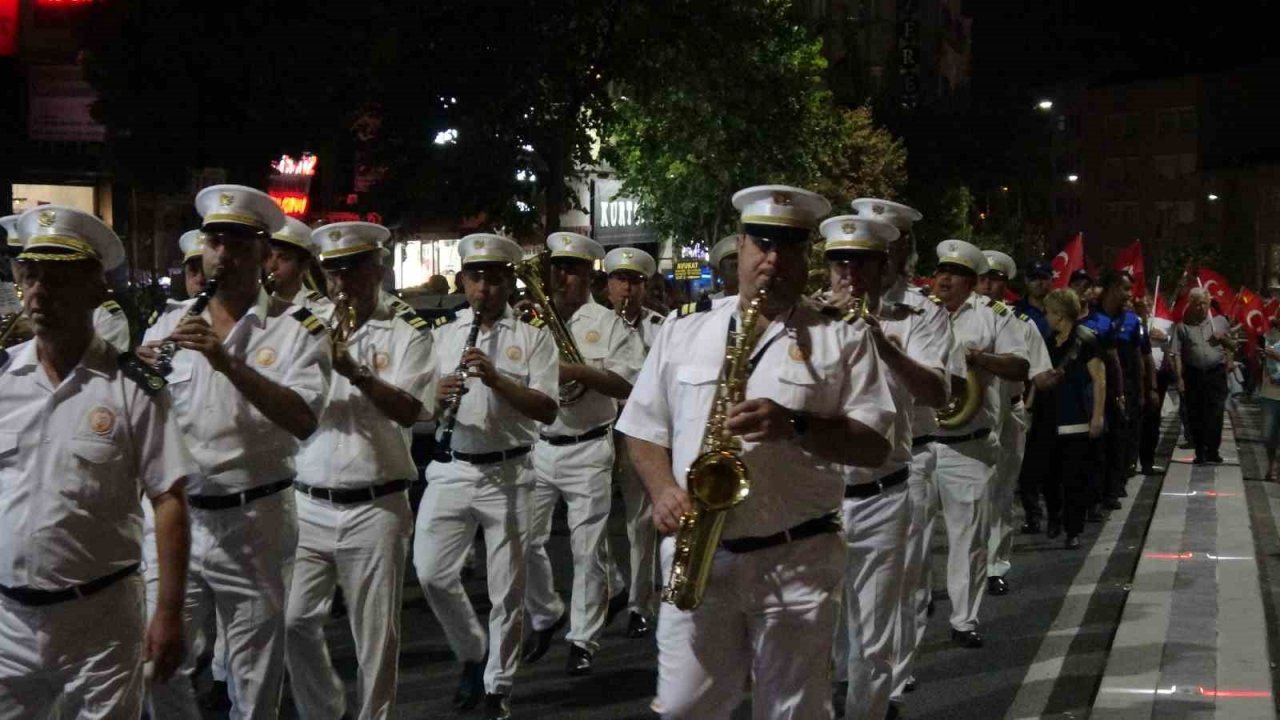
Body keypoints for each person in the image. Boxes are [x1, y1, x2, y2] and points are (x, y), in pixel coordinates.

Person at [618, 184, 896, 718]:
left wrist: (795, 423)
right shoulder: (683, 328)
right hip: (701, 554)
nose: (773, 260)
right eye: (761, 245)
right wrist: (662, 489)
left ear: (806, 255)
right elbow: (643, 428)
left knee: (792, 711)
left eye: (788, 247)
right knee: (682, 708)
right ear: (740, 248)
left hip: (797, 558)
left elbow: (874, 444)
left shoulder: (843, 337)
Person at [142, 185, 333, 717]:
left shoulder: (299, 329)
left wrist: (226, 362)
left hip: (256, 521)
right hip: (179, 517)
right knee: (157, 662)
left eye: (237, 242)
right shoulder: (170, 323)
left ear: (263, 253)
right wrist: (135, 372)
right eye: (214, 241)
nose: (222, 254)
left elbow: (303, 418)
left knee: (253, 679)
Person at [0, 205, 193, 717]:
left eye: (58, 278)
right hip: (8, 621)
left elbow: (168, 498)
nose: (39, 291)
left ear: (95, 289)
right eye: (31, 274)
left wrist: (169, 613)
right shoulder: (2, 378)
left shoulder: (132, 386)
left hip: (102, 620)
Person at [285, 222, 436, 719]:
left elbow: (412, 410)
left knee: (375, 637)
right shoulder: (305, 322)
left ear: (379, 267)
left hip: (377, 502)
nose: (341, 282)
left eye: (352, 268)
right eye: (332, 271)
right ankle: (325, 711)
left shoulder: (408, 329)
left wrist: (356, 371)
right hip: (308, 499)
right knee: (293, 621)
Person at [413, 233, 558, 720]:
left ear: (508, 281)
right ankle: (473, 651)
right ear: (462, 282)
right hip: (452, 466)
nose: (483, 289)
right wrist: (437, 396)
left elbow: (548, 409)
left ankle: (499, 686)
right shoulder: (442, 337)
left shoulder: (533, 338)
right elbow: (420, 409)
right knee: (431, 572)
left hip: (510, 473)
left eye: (494, 279)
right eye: (475, 278)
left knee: (507, 591)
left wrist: (497, 379)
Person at [821, 211, 952, 720]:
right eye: (838, 263)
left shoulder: (919, 317)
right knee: (817, 633)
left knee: (873, 638)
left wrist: (878, 341)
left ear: (883, 268)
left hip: (884, 493)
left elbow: (939, 391)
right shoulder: (808, 318)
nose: (848, 275)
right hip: (820, 497)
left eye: (860, 263)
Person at [523, 232, 644, 675]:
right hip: (540, 444)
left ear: (590, 275)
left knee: (586, 548)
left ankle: (583, 639)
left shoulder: (611, 325)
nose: (562, 276)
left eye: (572, 269)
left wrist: (578, 372)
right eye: (557, 268)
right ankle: (546, 611)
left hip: (589, 445)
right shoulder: (533, 322)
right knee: (523, 540)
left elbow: (628, 384)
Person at [929, 239, 1028, 649]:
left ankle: (964, 620)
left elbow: (1021, 365)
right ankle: (914, 610)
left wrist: (981, 359)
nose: (944, 280)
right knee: (913, 541)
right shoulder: (920, 313)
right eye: (940, 272)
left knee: (967, 539)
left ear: (971, 283)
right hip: (919, 442)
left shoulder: (994, 317)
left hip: (968, 443)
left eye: (955, 275)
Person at [977, 251, 1051, 596]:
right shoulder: (956, 317)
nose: (988, 286)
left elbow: (1039, 371)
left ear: (1005, 284)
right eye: (982, 278)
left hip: (1009, 410)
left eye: (995, 280)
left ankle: (994, 566)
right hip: (970, 414)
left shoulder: (1021, 321)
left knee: (1002, 491)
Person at [603, 246, 666, 638]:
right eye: (621, 280)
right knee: (589, 521)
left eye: (636, 281)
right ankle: (611, 583)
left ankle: (639, 603)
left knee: (640, 522)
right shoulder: (591, 324)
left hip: (638, 429)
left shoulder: (661, 327)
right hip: (594, 427)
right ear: (607, 285)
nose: (627, 288)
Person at [1038, 289, 1106, 547]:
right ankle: (1054, 514)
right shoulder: (1048, 340)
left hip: (1075, 416)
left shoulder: (1087, 339)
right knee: (1049, 475)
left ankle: (1073, 530)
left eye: (1048, 312)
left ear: (1060, 314)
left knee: (1074, 478)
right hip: (1049, 416)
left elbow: (1099, 380)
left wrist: (1097, 416)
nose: (1045, 316)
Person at [1014, 260, 1055, 533]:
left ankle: (1056, 513)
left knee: (1051, 455)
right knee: (1026, 458)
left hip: (1054, 390)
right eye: (1035, 278)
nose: (1040, 283)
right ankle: (1033, 513)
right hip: (1027, 392)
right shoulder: (1016, 314)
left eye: (1044, 278)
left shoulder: (1058, 310)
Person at [1172, 287, 1234, 464]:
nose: (1201, 307)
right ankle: (1200, 451)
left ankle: (1213, 450)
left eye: (1204, 303)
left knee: (1215, 412)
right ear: (1190, 305)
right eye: (1197, 303)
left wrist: (1223, 340)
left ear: (1209, 304)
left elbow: (1233, 347)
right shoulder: (1182, 326)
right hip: (1194, 374)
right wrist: (1180, 378)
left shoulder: (1219, 322)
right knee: (1196, 413)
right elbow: (1176, 353)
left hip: (1216, 374)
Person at [266, 216, 335, 319]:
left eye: (284, 258)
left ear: (304, 266)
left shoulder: (322, 311)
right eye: (269, 256)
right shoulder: (259, 305)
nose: (272, 266)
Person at [1260, 317, 1280, 479]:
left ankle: (1275, 467)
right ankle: (1271, 461)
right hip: (1271, 390)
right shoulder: (1270, 335)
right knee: (1268, 434)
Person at [709, 233, 739, 298]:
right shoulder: (713, 304)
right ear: (720, 273)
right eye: (734, 266)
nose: (739, 271)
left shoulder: (760, 302)